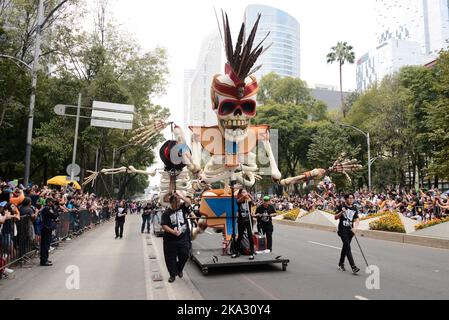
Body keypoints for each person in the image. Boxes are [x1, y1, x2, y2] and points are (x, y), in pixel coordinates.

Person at [161, 191, 192, 283]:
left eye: (179, 202)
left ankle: (179, 268)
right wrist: (173, 232)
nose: (178, 204)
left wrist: (181, 197)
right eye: (176, 202)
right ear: (171, 203)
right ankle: (172, 275)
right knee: (170, 258)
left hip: (183, 238)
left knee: (185, 254)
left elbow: (189, 202)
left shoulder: (182, 208)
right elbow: (164, 225)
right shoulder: (166, 213)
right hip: (170, 240)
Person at [334, 193, 360, 274]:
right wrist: (342, 212)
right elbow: (335, 217)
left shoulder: (354, 208)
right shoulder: (341, 206)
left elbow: (357, 219)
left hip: (350, 230)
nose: (351, 199)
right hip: (342, 229)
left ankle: (341, 263)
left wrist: (355, 228)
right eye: (349, 198)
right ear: (345, 199)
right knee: (348, 247)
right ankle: (353, 266)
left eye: (352, 198)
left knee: (345, 247)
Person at [232, 189, 255, 260]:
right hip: (241, 220)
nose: (244, 193)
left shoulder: (248, 200)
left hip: (248, 220)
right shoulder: (239, 200)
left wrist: (249, 195)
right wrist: (243, 196)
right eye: (242, 192)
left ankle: (252, 253)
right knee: (240, 236)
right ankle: (236, 252)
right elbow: (238, 201)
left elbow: (253, 200)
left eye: (245, 192)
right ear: (240, 194)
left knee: (250, 236)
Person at [40, 198, 59, 266]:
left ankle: (45, 259)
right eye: (52, 202)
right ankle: (44, 261)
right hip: (46, 228)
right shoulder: (47, 208)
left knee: (46, 245)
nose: (53, 204)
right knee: (45, 245)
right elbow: (55, 215)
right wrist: (56, 209)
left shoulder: (46, 208)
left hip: (47, 228)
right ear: (49, 202)